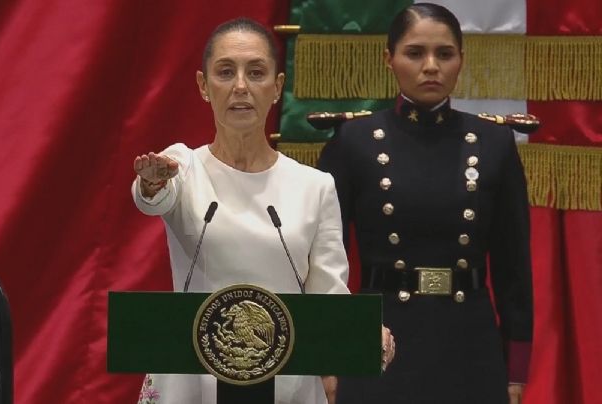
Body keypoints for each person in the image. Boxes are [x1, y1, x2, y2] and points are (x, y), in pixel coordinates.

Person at [132, 17, 394, 404]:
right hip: (191, 381)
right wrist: (151, 183)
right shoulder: (182, 167)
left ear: (277, 87)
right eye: (225, 72)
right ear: (204, 86)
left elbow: (328, 295)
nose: (241, 86)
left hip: (285, 382)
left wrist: (361, 330)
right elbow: (152, 197)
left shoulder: (314, 187)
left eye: (256, 73)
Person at [317, 4, 533, 404]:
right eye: (415, 53)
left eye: (444, 54)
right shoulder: (354, 141)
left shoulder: (494, 144)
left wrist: (515, 368)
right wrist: (330, 356)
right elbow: (325, 260)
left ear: (461, 61)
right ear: (389, 59)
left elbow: (513, 268)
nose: (430, 66)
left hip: (469, 341)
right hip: (379, 337)